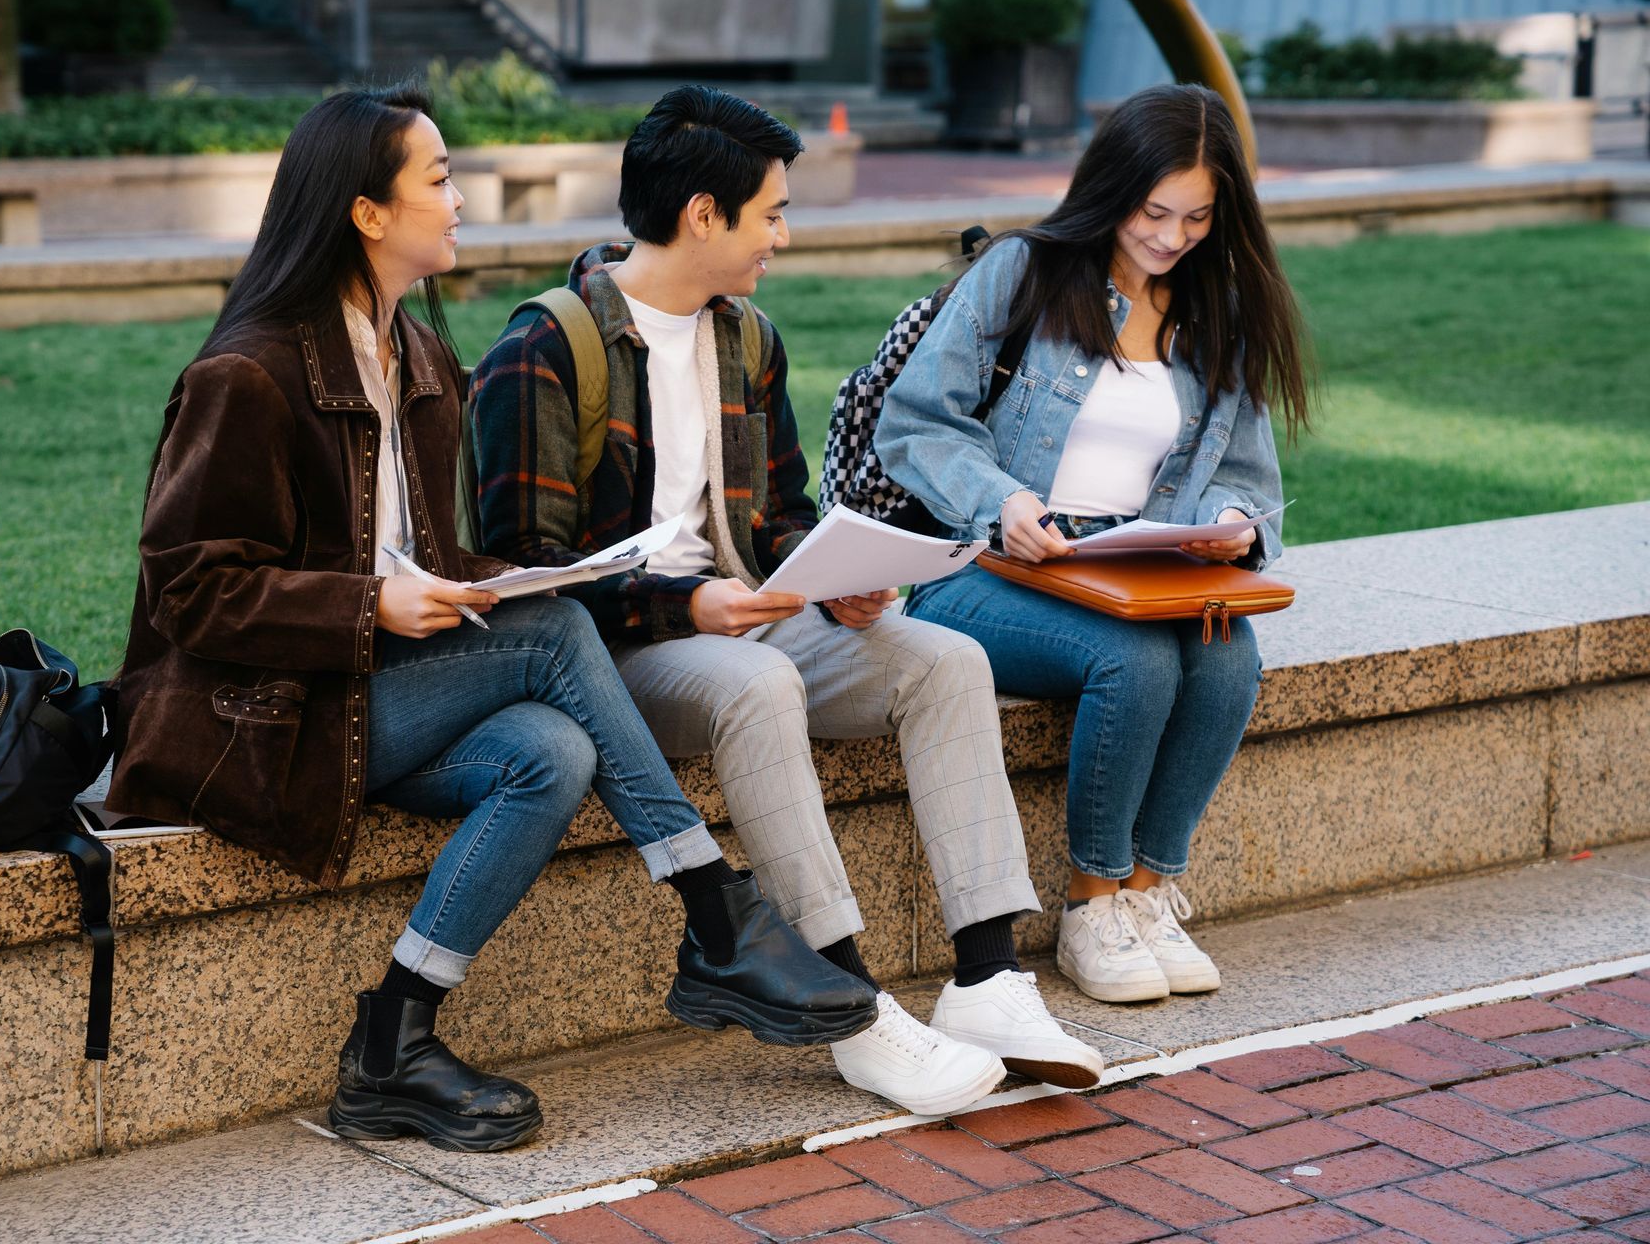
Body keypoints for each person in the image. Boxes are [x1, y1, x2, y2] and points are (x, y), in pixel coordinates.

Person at [107, 86, 876, 1155]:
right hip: (269, 719)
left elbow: (424, 548)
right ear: (368, 213)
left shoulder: (415, 356)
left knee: (552, 751)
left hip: (377, 692)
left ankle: (394, 1035)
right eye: (437, 179)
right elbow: (188, 588)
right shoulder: (250, 371)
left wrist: (484, 582)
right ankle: (712, 908)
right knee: (561, 632)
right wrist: (372, 600)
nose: (461, 199)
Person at [470, 85, 1104, 1118]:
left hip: (744, 620)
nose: (784, 233)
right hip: (620, 650)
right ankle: (845, 1002)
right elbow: (529, 573)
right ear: (702, 214)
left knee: (945, 659)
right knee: (758, 679)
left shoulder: (748, 339)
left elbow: (777, 517)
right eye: (771, 210)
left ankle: (987, 980)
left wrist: (831, 569)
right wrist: (689, 606)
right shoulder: (547, 348)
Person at [872, 83, 1313, 1004]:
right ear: (1112, 187)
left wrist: (1232, 523)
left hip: (1137, 565)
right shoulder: (1024, 272)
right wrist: (1001, 501)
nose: (1171, 235)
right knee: (1139, 664)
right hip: (986, 563)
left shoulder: (1218, 308)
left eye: (1197, 217)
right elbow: (915, 423)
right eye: (1154, 211)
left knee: (1231, 657)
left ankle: (1150, 891)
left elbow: (1250, 477)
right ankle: (1090, 905)